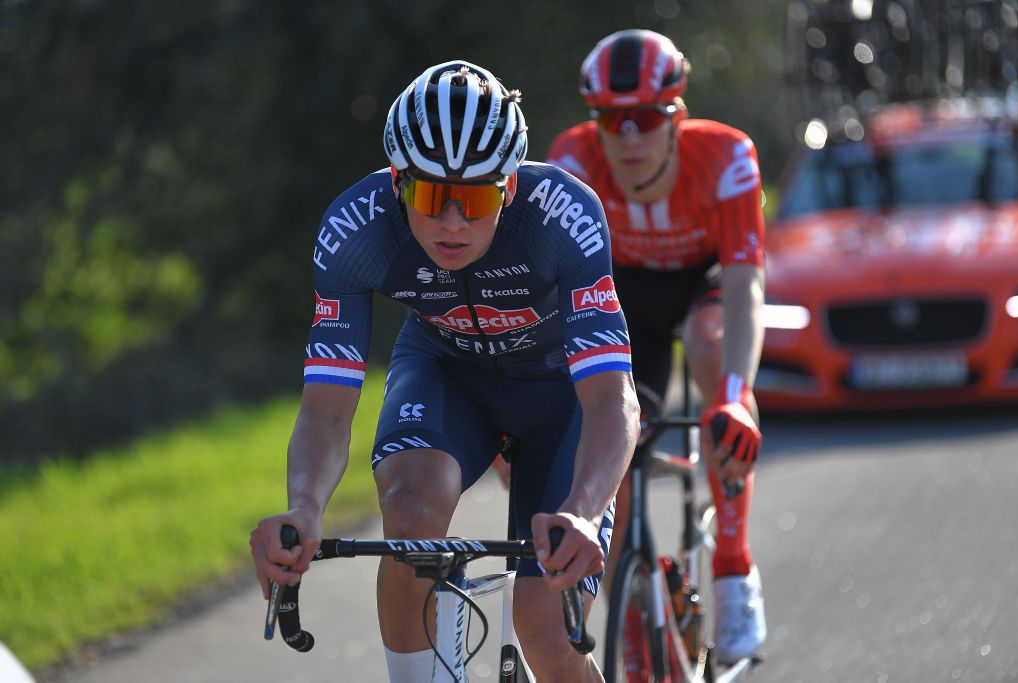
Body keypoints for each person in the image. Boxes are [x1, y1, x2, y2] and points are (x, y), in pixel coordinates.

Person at [250, 60, 640, 682]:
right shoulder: (355, 230)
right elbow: (326, 406)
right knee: (408, 507)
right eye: (432, 197)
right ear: (399, 185)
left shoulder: (564, 216)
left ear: (510, 188)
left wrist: (586, 511)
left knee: (544, 631)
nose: (453, 223)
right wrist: (303, 508)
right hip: (446, 372)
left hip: (557, 394)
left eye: (477, 198)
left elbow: (610, 396)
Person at [546, 29, 767, 662]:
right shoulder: (573, 163)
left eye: (646, 118)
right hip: (626, 298)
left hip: (705, 284)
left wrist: (733, 398)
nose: (630, 137)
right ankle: (637, 620)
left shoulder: (726, 156)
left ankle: (732, 566)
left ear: (678, 117)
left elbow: (748, 287)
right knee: (605, 449)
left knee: (711, 341)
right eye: (613, 120)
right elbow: (554, 300)